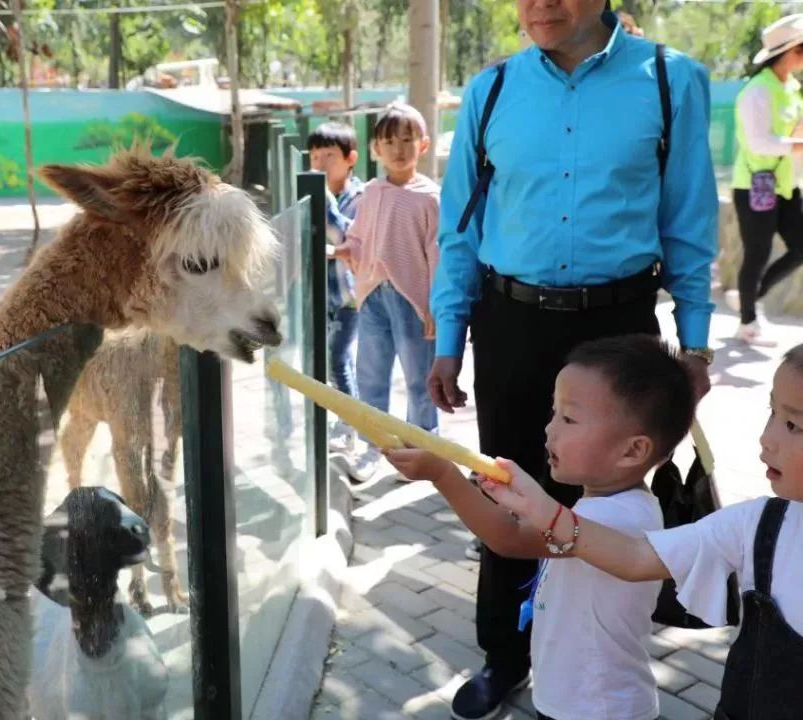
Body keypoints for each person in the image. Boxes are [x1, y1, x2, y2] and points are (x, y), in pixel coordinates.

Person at [426, 2, 718, 718]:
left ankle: (595, 662)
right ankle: (505, 652)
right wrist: (447, 337)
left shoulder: (668, 81)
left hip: (620, 326)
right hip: (511, 324)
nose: (541, 5)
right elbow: (458, 228)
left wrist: (697, 341)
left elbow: (689, 220)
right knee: (507, 484)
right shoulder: (490, 89)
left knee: (609, 497)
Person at [479, 342, 803, 720]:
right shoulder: (758, 523)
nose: (767, 438)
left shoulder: (625, 509)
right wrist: (541, 508)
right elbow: (635, 557)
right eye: (772, 413)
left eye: (794, 424)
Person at [388, 335, 696, 720]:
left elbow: (510, 538)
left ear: (632, 451)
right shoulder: (607, 505)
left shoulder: (616, 519)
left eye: (568, 419)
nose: (549, 430)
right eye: (554, 413)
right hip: (575, 700)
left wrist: (442, 474)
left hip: (595, 709)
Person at [334, 103, 440, 483]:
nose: (399, 148)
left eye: (407, 140)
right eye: (389, 141)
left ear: (423, 145)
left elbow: (435, 253)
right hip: (373, 297)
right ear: (376, 148)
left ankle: (423, 451)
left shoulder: (430, 197)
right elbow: (360, 239)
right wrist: (347, 251)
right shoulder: (371, 192)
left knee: (420, 379)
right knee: (372, 376)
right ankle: (371, 449)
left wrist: (434, 304)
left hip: (415, 300)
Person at [726, 14, 803, 347]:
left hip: (785, 184)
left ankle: (749, 296)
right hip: (755, 185)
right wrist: (796, 143)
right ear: (787, 52)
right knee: (756, 253)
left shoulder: (793, 88)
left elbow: (790, 135)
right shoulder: (756, 92)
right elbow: (758, 142)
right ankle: (747, 321)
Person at [307, 122, 365, 455]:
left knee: (337, 359)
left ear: (350, 158)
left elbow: (345, 238)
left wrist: (324, 202)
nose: (320, 163)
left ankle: (349, 427)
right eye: (315, 156)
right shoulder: (315, 195)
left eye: (329, 155)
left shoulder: (360, 198)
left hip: (349, 297)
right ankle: (350, 420)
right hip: (326, 297)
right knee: (339, 361)